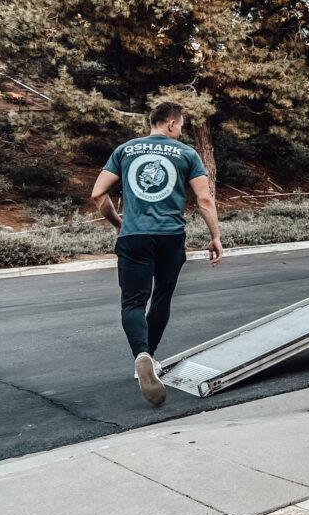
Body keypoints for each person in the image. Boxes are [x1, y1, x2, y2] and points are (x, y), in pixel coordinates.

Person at [90, 102, 223, 406]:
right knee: (161, 296)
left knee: (133, 302)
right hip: (170, 238)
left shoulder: (124, 150)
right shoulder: (188, 154)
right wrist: (215, 236)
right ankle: (148, 360)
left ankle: (142, 355)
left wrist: (118, 224)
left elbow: (98, 194)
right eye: (182, 126)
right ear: (172, 124)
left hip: (134, 236)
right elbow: (204, 198)